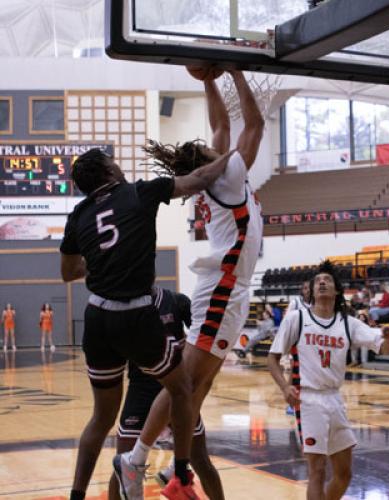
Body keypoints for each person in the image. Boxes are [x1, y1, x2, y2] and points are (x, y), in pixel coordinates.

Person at [114, 67, 264, 500]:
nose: (213, 141)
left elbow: (221, 125)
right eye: (207, 148)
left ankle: (176, 473)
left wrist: (206, 79)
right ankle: (137, 458)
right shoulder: (228, 174)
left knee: (199, 387)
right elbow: (249, 124)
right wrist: (234, 71)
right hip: (223, 287)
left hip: (229, 287)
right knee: (183, 383)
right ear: (205, 160)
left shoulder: (217, 177)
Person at [60, 142, 231, 500]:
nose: (120, 167)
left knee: (100, 418)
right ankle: (180, 472)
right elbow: (197, 180)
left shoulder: (78, 214)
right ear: (109, 171)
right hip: (133, 315)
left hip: (96, 317)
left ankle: (77, 494)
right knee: (181, 387)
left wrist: (101, 258)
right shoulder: (137, 192)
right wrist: (238, 156)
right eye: (114, 163)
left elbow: (68, 272)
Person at [267, 260, 389, 500]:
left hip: (336, 399)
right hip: (308, 399)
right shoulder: (297, 319)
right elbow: (272, 359)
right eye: (318, 281)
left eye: (327, 280)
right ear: (312, 290)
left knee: (344, 474)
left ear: (337, 290)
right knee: (316, 470)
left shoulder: (348, 323)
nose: (322, 282)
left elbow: (385, 349)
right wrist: (285, 387)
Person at [108, 286, 203, 499]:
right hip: (141, 388)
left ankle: (174, 471)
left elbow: (199, 341)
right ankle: (171, 472)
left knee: (200, 458)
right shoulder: (124, 306)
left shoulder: (177, 302)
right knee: (122, 466)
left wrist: (182, 353)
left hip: (174, 387)